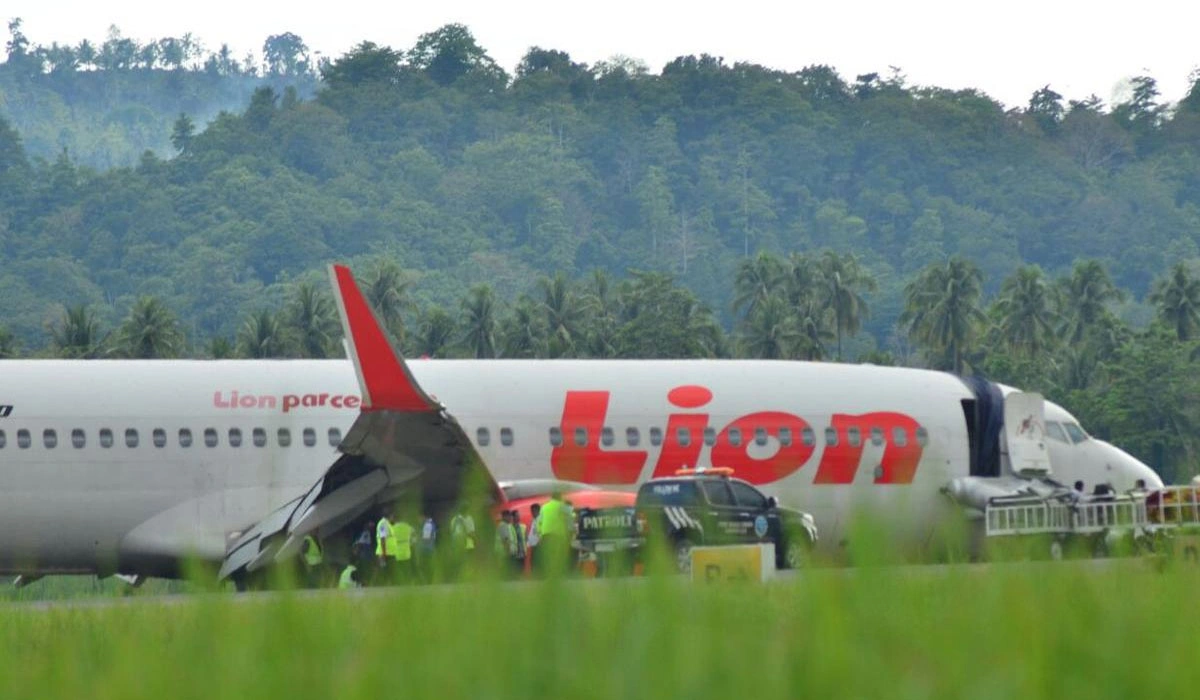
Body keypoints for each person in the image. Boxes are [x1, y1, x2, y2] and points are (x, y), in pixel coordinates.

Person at [537, 491, 571, 576]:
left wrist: (540, 534)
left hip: (545, 534)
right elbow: (569, 520)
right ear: (560, 497)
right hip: (558, 534)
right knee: (558, 555)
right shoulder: (562, 506)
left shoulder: (544, 507)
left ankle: (548, 573)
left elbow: (539, 522)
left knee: (548, 555)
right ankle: (556, 574)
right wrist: (570, 533)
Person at [392, 515, 416, 584]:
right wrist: (411, 543)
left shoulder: (393, 528)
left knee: (399, 569)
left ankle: (400, 582)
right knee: (407, 568)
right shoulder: (408, 527)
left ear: (396, 520)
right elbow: (414, 535)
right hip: (406, 551)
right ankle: (408, 581)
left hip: (397, 551)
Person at [526, 503, 541, 570]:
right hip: (534, 545)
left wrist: (539, 542)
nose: (532, 513)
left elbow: (541, 533)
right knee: (534, 563)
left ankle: (539, 577)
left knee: (537, 563)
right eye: (531, 511)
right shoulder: (534, 520)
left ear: (537, 510)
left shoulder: (540, 520)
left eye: (533, 511)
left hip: (538, 545)